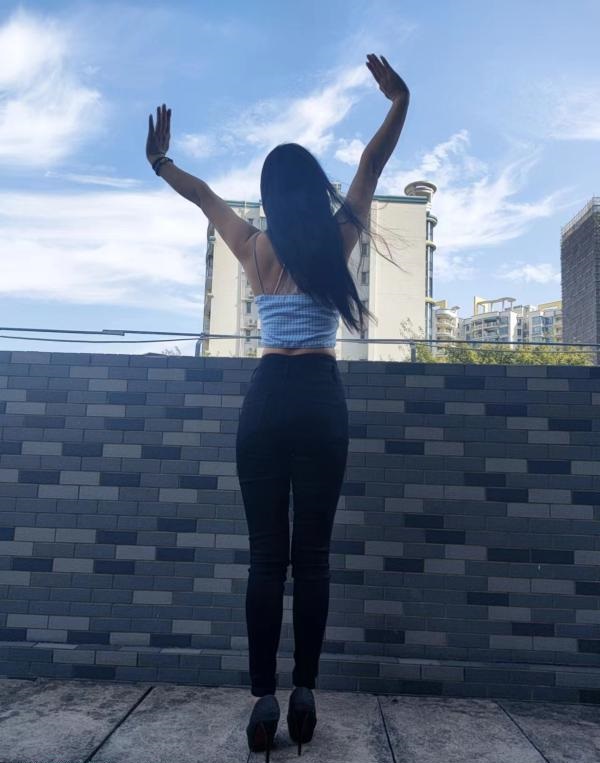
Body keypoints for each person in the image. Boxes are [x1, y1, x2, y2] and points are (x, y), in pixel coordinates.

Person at [146, 53, 410, 762]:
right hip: (320, 400)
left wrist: (161, 163)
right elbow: (371, 164)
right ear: (312, 191)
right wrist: (399, 101)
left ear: (270, 195)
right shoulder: (336, 238)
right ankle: (305, 692)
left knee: (267, 558)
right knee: (311, 560)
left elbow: (204, 198)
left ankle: (263, 697)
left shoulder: (254, 247)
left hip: (266, 403)